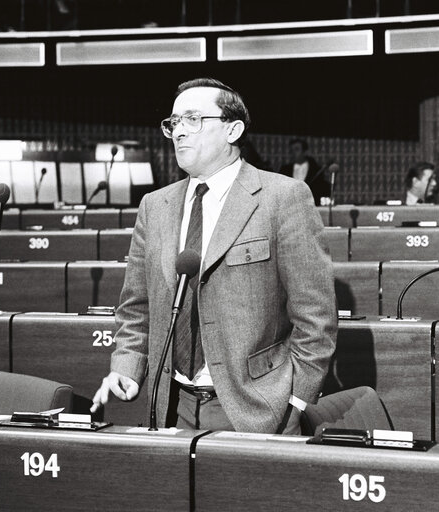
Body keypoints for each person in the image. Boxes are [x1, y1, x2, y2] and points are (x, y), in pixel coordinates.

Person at [91, 78, 337, 434]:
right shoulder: (154, 206)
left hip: (255, 407)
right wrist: (127, 367)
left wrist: (296, 401)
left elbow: (316, 315)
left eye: (193, 119)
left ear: (233, 130)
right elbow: (136, 306)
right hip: (171, 405)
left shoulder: (283, 197)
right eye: (173, 122)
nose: (179, 131)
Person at [279, 138, 330, 205]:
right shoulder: (284, 170)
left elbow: (319, 191)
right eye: (291, 150)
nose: (293, 153)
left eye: (297, 149)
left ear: (305, 152)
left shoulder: (316, 170)